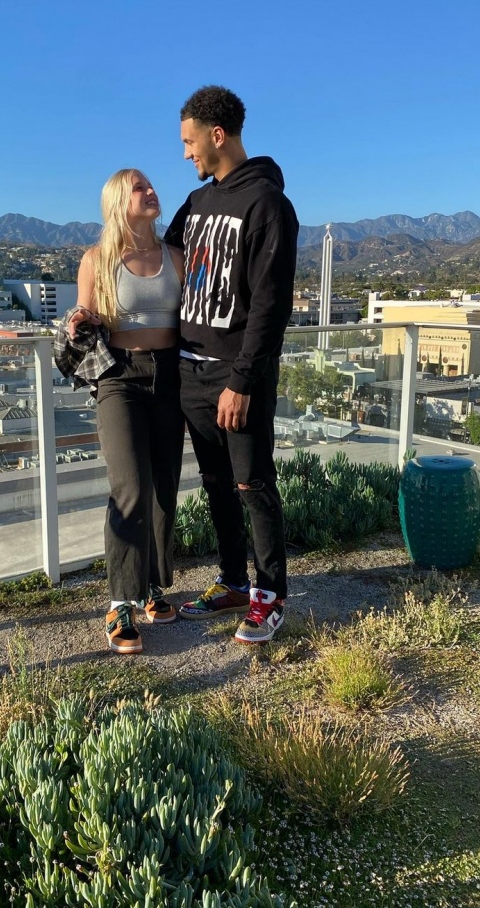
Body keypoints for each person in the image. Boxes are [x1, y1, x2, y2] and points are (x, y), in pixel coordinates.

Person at [164, 85, 299, 644]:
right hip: (190, 369)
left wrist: (242, 381)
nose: (185, 153)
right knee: (217, 483)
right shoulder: (196, 203)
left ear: (217, 136)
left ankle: (271, 596)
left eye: (189, 142)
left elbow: (271, 304)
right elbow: (160, 256)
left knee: (253, 484)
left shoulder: (268, 205)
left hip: (236, 376)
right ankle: (233, 581)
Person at [69, 169, 185, 655]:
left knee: (164, 487)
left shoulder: (176, 256)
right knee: (130, 487)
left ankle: (152, 584)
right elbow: (84, 313)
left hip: (172, 375)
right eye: (139, 187)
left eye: (150, 185)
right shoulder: (97, 259)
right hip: (120, 377)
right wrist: (80, 318)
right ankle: (120, 602)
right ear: (119, 200)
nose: (151, 191)